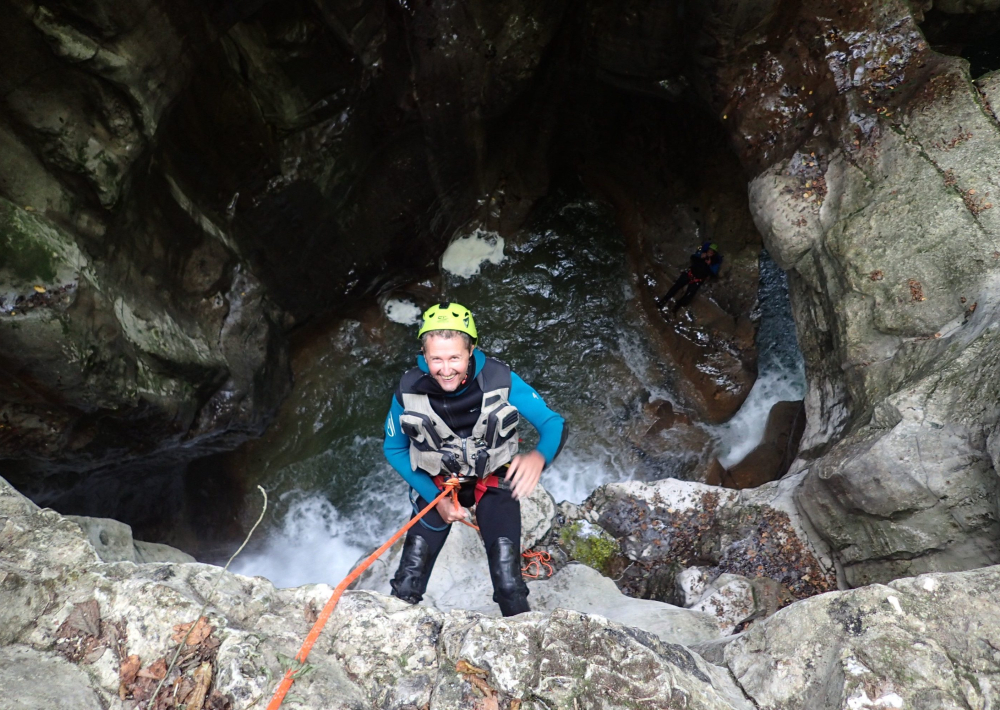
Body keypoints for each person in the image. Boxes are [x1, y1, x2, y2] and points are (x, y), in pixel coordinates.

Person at [382, 302, 567, 616]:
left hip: (493, 480)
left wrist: (538, 458)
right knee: (406, 586)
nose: (445, 369)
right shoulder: (407, 390)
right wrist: (436, 500)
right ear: (424, 356)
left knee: (509, 586)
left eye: (454, 357)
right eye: (435, 358)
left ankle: (522, 645)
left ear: (471, 351)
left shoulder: (499, 378)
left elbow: (553, 424)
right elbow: (394, 449)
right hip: (439, 485)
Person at [657, 242, 723, 313]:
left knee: (688, 296)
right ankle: (664, 300)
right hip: (690, 273)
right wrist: (700, 256)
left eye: (712, 252)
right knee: (676, 286)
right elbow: (692, 257)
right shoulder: (702, 253)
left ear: (714, 253)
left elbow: (713, 274)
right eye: (709, 250)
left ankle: (677, 306)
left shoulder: (714, 262)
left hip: (697, 280)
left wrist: (709, 265)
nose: (710, 252)